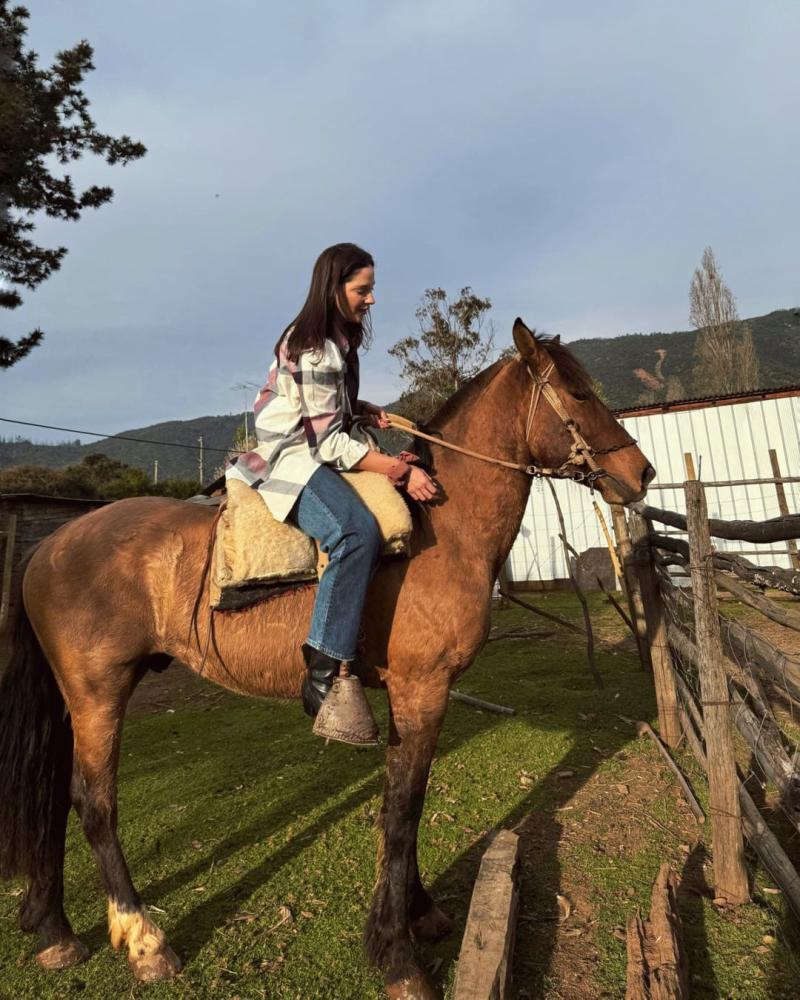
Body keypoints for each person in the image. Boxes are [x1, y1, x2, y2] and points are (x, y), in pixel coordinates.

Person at [226, 243, 438, 729]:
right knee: (355, 532)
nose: (371, 299)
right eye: (363, 290)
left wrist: (358, 408)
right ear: (334, 288)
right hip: (290, 459)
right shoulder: (317, 345)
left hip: (316, 446)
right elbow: (323, 441)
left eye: (372, 290)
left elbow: (322, 410)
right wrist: (398, 469)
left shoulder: (337, 341)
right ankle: (323, 668)